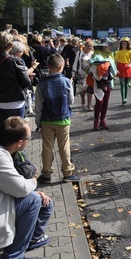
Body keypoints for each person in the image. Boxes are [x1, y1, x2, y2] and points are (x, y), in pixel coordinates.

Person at [0, 116, 53, 258]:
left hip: (2, 198)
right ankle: (14, 255)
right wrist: (34, 180)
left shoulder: (2, 150)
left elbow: (14, 185)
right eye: (29, 137)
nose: (30, 140)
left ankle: (32, 239)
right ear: (20, 143)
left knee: (40, 200)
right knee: (34, 200)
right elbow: (21, 189)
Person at [35, 54, 79, 183]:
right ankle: (67, 172)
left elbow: (38, 106)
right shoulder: (66, 81)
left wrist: (38, 123)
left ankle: (46, 174)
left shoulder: (41, 84)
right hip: (63, 119)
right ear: (61, 67)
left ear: (48, 66)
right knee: (64, 146)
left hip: (47, 120)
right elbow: (70, 101)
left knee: (47, 147)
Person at [0, 31, 34, 125]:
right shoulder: (15, 61)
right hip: (15, 102)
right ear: (10, 45)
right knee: (15, 133)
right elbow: (26, 83)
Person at [89, 54, 116, 131]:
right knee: (99, 102)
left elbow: (113, 74)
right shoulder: (93, 66)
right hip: (97, 85)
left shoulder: (108, 63)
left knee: (105, 102)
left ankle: (103, 120)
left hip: (107, 84)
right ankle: (96, 121)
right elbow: (97, 77)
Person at [72, 39, 94, 110]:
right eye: (88, 46)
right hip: (81, 74)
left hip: (90, 74)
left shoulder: (93, 54)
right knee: (82, 90)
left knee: (90, 89)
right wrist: (73, 72)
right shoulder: (79, 53)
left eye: (91, 46)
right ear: (85, 46)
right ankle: (83, 101)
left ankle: (89, 105)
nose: (89, 47)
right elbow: (75, 63)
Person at [115, 37, 131, 105]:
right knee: (122, 83)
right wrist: (116, 69)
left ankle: (125, 97)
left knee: (126, 83)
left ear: (127, 44)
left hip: (127, 67)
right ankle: (123, 98)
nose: (124, 45)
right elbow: (116, 61)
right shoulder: (118, 52)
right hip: (120, 67)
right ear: (121, 44)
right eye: (123, 43)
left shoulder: (129, 52)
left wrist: (130, 64)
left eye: (125, 44)